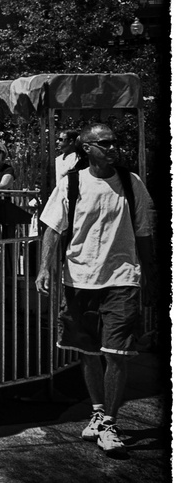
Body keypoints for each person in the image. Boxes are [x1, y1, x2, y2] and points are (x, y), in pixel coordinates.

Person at [34, 123, 157, 456]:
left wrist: (149, 275)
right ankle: (98, 412)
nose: (113, 147)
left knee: (117, 354)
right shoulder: (71, 184)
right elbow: (52, 230)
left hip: (122, 279)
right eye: (105, 143)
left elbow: (144, 232)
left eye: (115, 142)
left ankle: (110, 424)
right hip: (80, 280)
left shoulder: (131, 184)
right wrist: (44, 268)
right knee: (88, 353)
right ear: (87, 148)